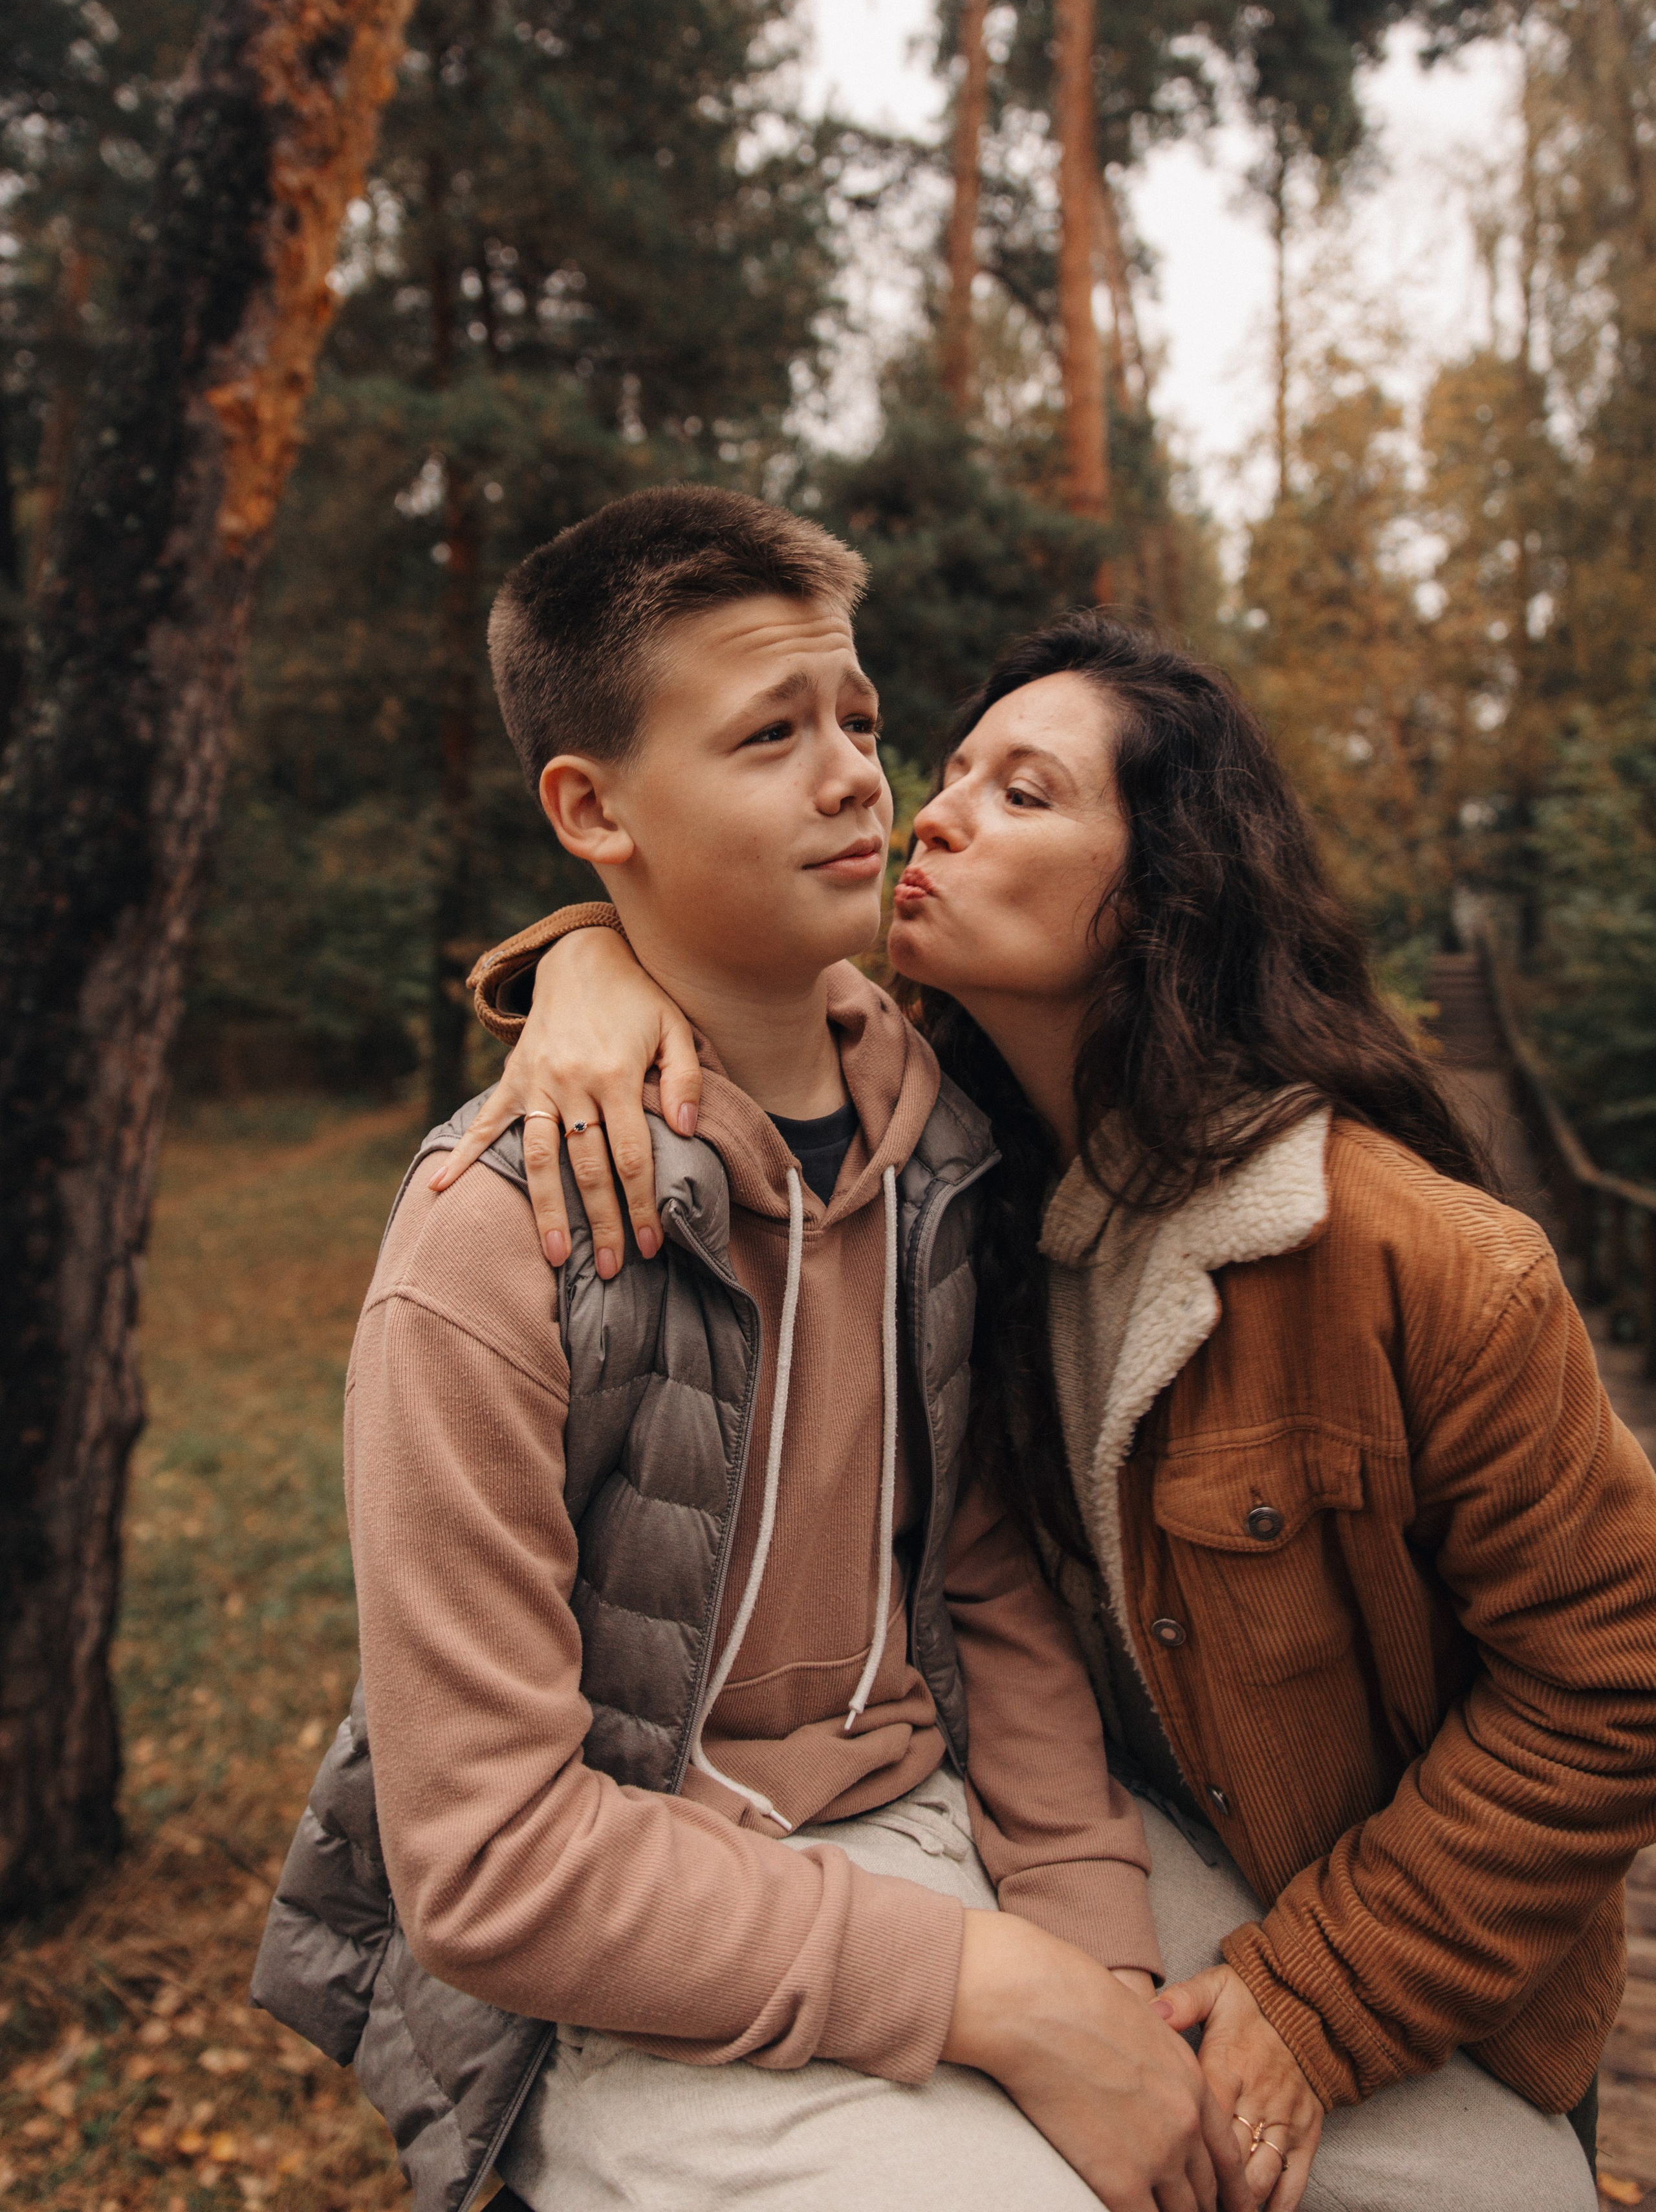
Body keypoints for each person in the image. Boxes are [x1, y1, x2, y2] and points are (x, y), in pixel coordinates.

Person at [446, 602, 1656, 2212]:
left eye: (1021, 793)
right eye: (943, 771)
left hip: (1404, 1951)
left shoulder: (1417, 1261)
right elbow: (716, 938)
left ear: (1163, 894)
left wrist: (1320, 1995)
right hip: (1063, 1863)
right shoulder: (957, 1178)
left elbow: (1616, 1679)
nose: (924, 813)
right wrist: (578, 963)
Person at [254, 490, 1259, 2212]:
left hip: (965, 1818)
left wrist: (1084, 1945)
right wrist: (986, 1994)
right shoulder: (494, 1247)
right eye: (770, 733)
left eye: (860, 718)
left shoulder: (943, 1136)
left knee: (1467, 2161)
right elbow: (491, 1862)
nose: (861, 774)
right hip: (649, 1948)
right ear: (590, 807)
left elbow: (988, 1580)